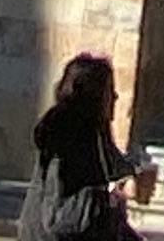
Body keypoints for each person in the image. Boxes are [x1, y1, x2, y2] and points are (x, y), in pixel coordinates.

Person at [21, 54, 134, 241]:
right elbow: (63, 213)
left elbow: (115, 168)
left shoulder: (96, 134)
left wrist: (130, 177)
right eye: (109, 90)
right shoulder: (68, 136)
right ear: (94, 94)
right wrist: (112, 195)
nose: (115, 97)